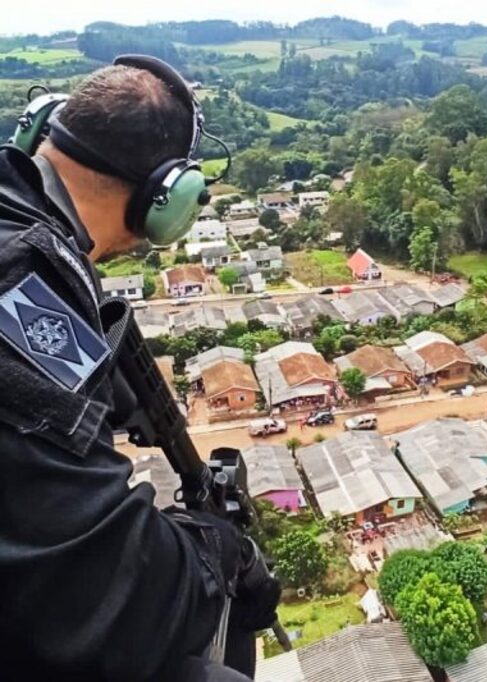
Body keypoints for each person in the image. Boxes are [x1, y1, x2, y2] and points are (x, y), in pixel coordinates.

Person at [0, 58, 279, 680]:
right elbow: (100, 589)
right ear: (169, 195)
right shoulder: (21, 284)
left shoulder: (20, 223)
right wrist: (218, 552)